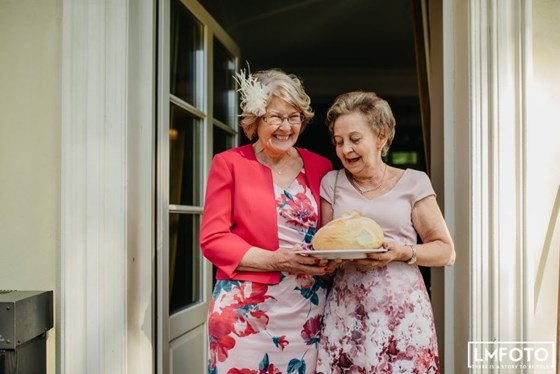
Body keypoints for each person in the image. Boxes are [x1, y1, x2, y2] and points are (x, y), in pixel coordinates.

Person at [200, 68, 334, 374]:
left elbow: (330, 233)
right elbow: (213, 239)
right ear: (255, 120)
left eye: (294, 117)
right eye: (275, 117)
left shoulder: (321, 166)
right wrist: (277, 261)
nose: (285, 127)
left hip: (306, 311)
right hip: (245, 313)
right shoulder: (230, 163)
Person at [315, 91, 455, 373]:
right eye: (339, 142)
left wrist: (401, 252)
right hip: (347, 312)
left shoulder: (414, 182)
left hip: (402, 311)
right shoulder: (331, 183)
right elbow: (324, 248)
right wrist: (327, 261)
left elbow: (445, 251)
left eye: (355, 139)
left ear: (381, 136)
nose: (345, 150)